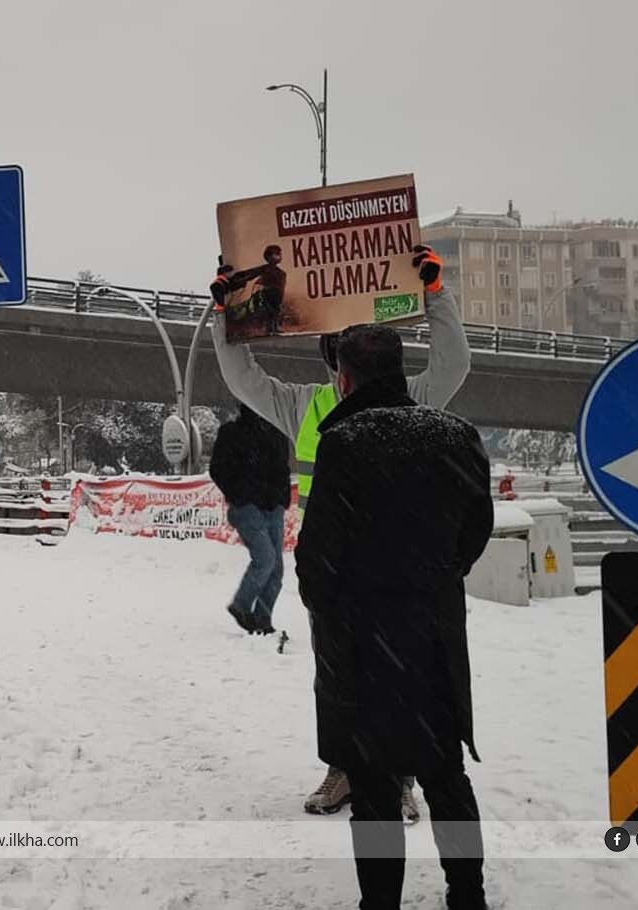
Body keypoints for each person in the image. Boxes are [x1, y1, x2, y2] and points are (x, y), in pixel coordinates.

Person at [211, 245, 471, 820]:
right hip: (334, 573)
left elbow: (453, 365)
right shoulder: (307, 407)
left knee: (402, 676)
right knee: (337, 678)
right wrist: (226, 314)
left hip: (398, 573)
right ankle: (344, 769)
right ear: (335, 357)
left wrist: (435, 295)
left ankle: (398, 777)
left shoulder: (413, 402)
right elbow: (241, 375)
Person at [296, 322, 493, 910]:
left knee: (376, 788)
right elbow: (475, 533)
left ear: (344, 377)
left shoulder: (345, 444)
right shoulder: (456, 436)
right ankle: (467, 895)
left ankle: (379, 902)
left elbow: (317, 557)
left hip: (362, 649)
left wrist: (335, 609)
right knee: (446, 776)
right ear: (401, 372)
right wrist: (430, 581)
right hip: (432, 640)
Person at [209, 403, 290, 635]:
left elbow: (282, 468)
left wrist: (281, 497)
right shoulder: (232, 433)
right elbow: (218, 469)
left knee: (275, 569)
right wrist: (239, 496)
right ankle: (242, 606)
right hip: (247, 507)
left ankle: (263, 619)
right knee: (265, 559)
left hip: (272, 506)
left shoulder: (277, 432)